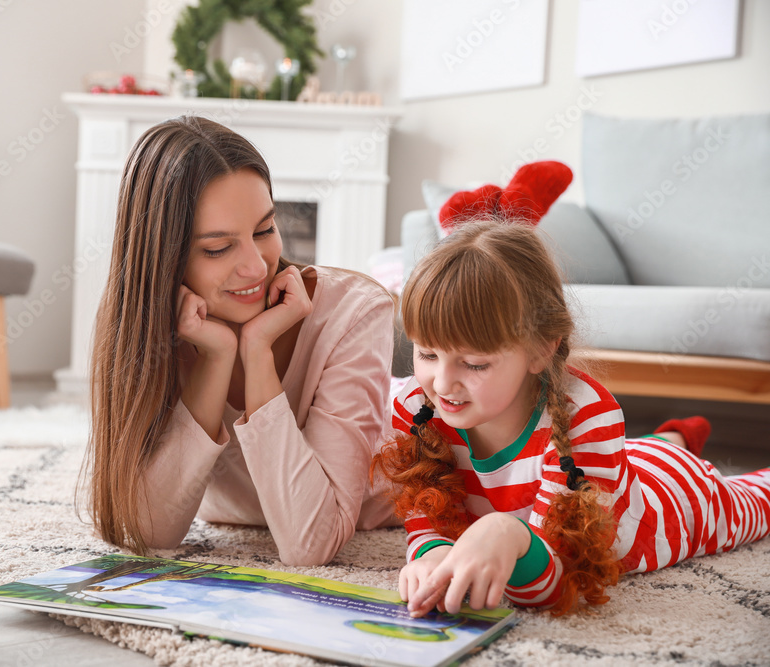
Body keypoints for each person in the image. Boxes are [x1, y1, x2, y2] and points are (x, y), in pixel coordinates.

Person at [372, 161, 770, 616]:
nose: (441, 384)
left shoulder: (586, 416)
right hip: (618, 462)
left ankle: (675, 445)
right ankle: (671, 436)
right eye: (426, 354)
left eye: (475, 363)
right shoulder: (416, 407)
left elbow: (556, 585)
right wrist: (432, 553)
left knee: (753, 499)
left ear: (541, 350)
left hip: (669, 499)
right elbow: (427, 518)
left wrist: (506, 531)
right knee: (636, 454)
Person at [82, 115, 396, 567]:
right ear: (163, 255)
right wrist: (217, 359)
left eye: (265, 230)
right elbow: (150, 535)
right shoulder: (143, 325)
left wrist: (257, 352)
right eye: (217, 248)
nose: (256, 266)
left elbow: (312, 545)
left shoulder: (355, 311)